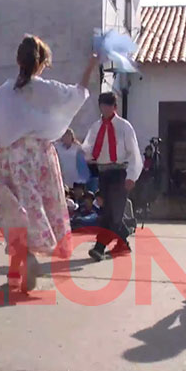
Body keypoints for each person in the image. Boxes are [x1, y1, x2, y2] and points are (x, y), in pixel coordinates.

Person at [0, 35, 97, 292]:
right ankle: (21, 265)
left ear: (17, 60)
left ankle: (21, 264)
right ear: (42, 62)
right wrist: (91, 64)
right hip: (40, 157)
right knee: (34, 210)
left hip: (10, 158)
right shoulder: (47, 88)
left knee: (13, 213)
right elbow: (77, 95)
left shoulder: (2, 93)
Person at [82, 92, 143, 261]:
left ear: (114, 107)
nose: (105, 108)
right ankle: (123, 243)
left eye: (108, 105)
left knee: (111, 212)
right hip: (103, 172)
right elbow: (88, 150)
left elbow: (134, 153)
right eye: (102, 105)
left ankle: (99, 246)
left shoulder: (124, 126)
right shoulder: (95, 127)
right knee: (110, 210)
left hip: (119, 172)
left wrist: (132, 175)